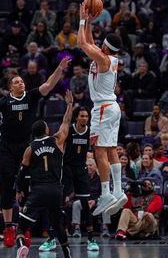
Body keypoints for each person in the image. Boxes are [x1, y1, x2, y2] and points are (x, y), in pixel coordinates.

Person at [0, 57, 70, 247]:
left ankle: (23, 229)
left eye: (22, 81)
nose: (20, 83)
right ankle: (8, 227)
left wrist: (59, 68)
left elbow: (49, 84)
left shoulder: (31, 96)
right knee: (7, 186)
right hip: (7, 146)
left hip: (26, 146)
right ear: (10, 88)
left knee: (27, 186)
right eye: (16, 82)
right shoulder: (3, 102)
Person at [78, 3, 127, 217]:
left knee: (98, 150)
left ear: (105, 47)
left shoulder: (103, 59)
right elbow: (89, 41)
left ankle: (106, 192)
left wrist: (80, 19)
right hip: (112, 107)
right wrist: (89, 21)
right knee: (111, 149)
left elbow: (81, 43)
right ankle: (118, 190)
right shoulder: (108, 57)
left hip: (103, 108)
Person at [15, 91, 73, 258]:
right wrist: (69, 104)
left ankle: (20, 247)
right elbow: (66, 121)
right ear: (46, 130)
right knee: (58, 225)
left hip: (39, 190)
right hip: (56, 190)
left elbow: (22, 173)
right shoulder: (57, 140)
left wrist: (19, 190)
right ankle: (67, 254)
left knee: (22, 226)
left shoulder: (30, 148)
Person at [62, 107, 99, 250]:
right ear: (76, 118)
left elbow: (95, 151)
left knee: (85, 203)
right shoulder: (69, 130)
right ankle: (52, 237)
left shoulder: (90, 132)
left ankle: (91, 239)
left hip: (81, 169)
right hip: (67, 168)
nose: (85, 118)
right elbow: (61, 145)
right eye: (82, 116)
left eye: (86, 116)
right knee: (59, 203)